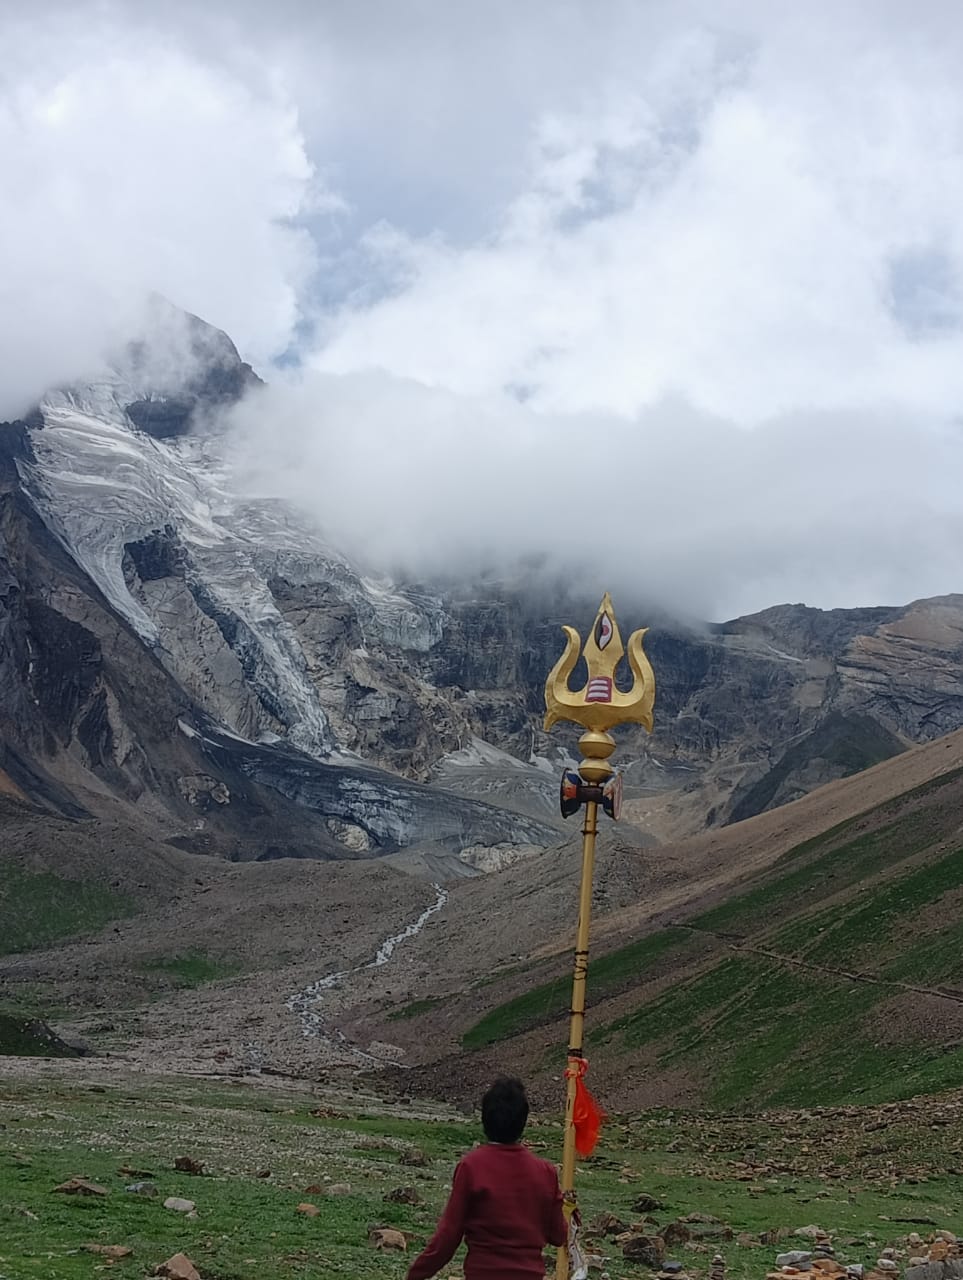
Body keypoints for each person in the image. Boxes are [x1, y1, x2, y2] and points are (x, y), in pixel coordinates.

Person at [406, 1076, 567, 1280]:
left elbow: (448, 1236)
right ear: (523, 1121)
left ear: (485, 1119)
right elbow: (558, 1235)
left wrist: (417, 1273)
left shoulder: (471, 1167)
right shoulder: (546, 1172)